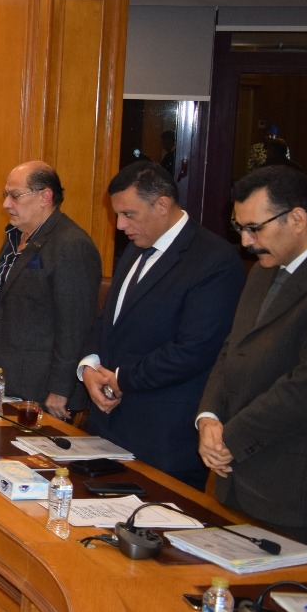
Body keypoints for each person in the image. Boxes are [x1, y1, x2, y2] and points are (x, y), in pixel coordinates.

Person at [76, 161, 242, 490]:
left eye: (129, 214)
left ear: (162, 204)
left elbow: (195, 349)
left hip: (163, 437)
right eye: (117, 214)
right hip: (107, 425)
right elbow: (109, 319)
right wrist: (89, 365)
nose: (120, 225)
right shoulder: (136, 247)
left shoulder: (214, 260)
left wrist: (122, 379)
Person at [198, 165, 307, 552]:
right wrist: (208, 418)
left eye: (255, 228)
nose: (246, 242)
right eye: (240, 228)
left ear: (297, 218)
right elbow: (233, 348)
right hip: (234, 479)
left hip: (295, 489)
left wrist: (230, 438)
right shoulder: (261, 271)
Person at [0, 161, 101, 419]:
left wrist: (60, 388)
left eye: (15, 195)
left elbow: (75, 327)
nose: (6, 204)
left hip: (41, 388)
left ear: (45, 196)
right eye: (5, 195)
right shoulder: (15, 237)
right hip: (6, 378)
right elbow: (0, 305)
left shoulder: (71, 245)